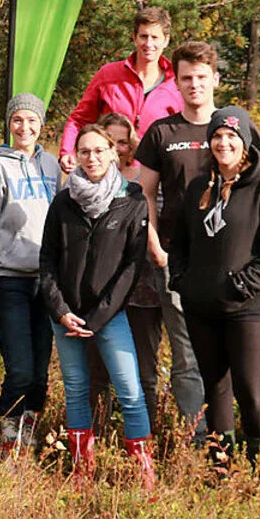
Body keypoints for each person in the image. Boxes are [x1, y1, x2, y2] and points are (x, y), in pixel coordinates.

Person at [136, 41, 260, 443]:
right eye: (186, 78)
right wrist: (158, 249)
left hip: (244, 277)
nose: (194, 85)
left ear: (216, 79)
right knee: (191, 361)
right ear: (176, 82)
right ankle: (202, 441)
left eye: (202, 77)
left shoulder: (238, 126)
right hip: (183, 265)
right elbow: (144, 192)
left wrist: (253, 275)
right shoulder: (162, 132)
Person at [169, 106, 260, 467]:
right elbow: (179, 243)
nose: (224, 143)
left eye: (232, 137)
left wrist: (243, 285)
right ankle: (221, 464)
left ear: (246, 143)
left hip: (246, 308)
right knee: (215, 388)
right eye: (217, 136)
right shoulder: (197, 187)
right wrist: (183, 281)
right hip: (201, 307)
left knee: (250, 389)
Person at [39, 124, 154, 487]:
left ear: (114, 153)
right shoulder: (63, 201)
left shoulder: (132, 200)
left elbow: (132, 267)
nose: (92, 158)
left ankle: (144, 474)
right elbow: (47, 261)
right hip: (66, 315)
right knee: (76, 391)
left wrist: (99, 316)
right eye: (84, 151)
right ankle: (81, 471)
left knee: (130, 391)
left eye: (99, 150)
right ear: (76, 155)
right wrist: (61, 310)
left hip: (110, 316)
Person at [0, 93, 60, 454]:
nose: (24, 127)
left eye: (32, 121)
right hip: (10, 280)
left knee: (40, 374)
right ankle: (8, 438)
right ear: (8, 124)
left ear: (42, 125)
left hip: (48, 281)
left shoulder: (53, 167)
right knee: (20, 369)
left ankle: (29, 433)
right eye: (17, 120)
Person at [86, 113, 163, 427]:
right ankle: (96, 431)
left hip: (143, 287)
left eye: (123, 142)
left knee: (144, 366)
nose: (116, 149)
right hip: (100, 289)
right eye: (110, 142)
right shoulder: (85, 181)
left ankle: (147, 434)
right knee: (97, 367)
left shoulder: (144, 180)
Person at [59, 6, 182, 173]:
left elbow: (187, 130)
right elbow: (79, 119)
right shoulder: (108, 74)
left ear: (166, 40)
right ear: (134, 38)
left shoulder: (176, 82)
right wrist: (67, 151)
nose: (149, 44)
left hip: (156, 176)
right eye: (143, 36)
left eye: (155, 37)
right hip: (107, 174)